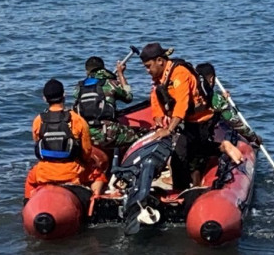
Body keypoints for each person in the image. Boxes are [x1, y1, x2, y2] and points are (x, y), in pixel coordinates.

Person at [140, 42, 240, 190]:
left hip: (200, 120)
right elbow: (156, 97)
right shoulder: (160, 75)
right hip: (186, 121)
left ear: (160, 61)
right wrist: (158, 119)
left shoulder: (180, 74)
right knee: (186, 153)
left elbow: (182, 103)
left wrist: (170, 129)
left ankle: (183, 191)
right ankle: (183, 188)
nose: (147, 70)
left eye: (149, 66)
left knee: (185, 156)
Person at [24, 79, 108, 199]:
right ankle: (93, 200)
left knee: (30, 180)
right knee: (99, 175)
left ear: (44, 98)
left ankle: (29, 203)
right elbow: (86, 152)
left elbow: (38, 143)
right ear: (64, 95)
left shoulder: (38, 120)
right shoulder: (78, 120)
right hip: (72, 172)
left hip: (44, 172)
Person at [72, 56, 141, 150]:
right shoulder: (111, 83)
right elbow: (129, 97)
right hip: (108, 134)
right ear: (103, 68)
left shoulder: (78, 88)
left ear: (87, 72)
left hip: (85, 135)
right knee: (141, 134)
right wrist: (120, 73)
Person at [194, 62, 263, 147]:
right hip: (201, 138)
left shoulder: (187, 92)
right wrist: (253, 137)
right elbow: (235, 122)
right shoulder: (214, 98)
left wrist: (222, 99)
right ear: (212, 79)